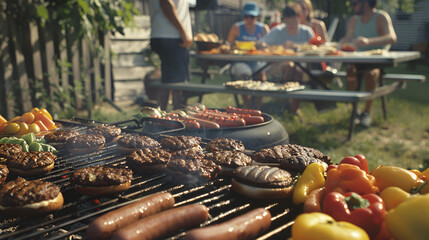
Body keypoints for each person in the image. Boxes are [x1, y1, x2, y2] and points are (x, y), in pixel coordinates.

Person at [339, 0, 397, 127]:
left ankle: (366, 112)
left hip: (377, 60)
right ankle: (355, 110)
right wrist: (339, 44)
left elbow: (392, 38)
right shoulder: (354, 20)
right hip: (357, 59)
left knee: (371, 74)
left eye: (355, 4)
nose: (352, 7)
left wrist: (368, 42)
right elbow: (348, 38)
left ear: (366, 3)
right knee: (350, 72)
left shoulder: (381, 17)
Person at [258, 3, 314, 115]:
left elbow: (315, 47)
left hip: (302, 69)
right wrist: (273, 47)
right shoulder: (278, 31)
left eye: (294, 20)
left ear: (300, 18)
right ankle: (285, 104)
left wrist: (296, 47)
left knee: (298, 71)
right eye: (288, 21)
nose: (291, 24)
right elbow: (260, 43)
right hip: (278, 67)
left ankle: (293, 109)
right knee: (289, 65)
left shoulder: (307, 32)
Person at [149, 0, 192, 110]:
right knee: (177, 83)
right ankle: (176, 118)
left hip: (167, 36)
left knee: (168, 80)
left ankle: (162, 118)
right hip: (171, 36)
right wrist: (183, 31)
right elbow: (165, 3)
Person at [226, 1, 270, 108]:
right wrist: (232, 48)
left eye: (252, 16)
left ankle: (257, 106)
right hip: (240, 60)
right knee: (244, 75)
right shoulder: (236, 27)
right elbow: (228, 45)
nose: (249, 19)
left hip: (257, 61)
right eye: (246, 16)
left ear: (257, 16)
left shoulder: (264, 28)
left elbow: (269, 48)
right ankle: (249, 106)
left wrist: (263, 46)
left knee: (261, 76)